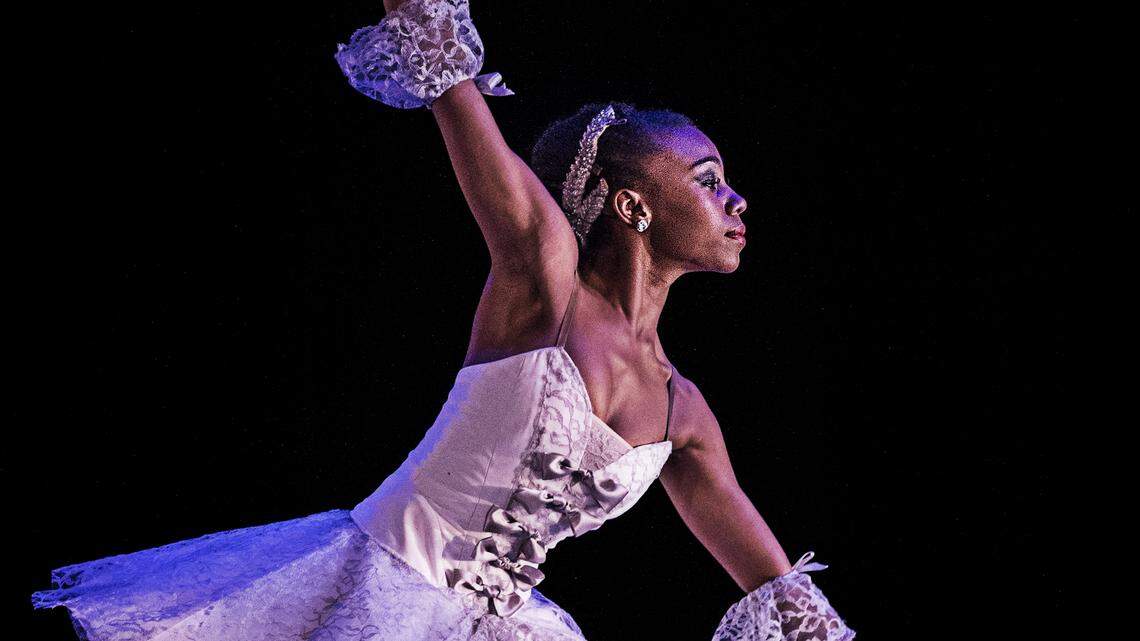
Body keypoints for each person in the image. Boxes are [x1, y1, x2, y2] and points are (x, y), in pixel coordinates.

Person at [30, 1, 857, 639]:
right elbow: (445, 72)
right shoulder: (545, 278)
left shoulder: (684, 411)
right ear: (633, 203)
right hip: (376, 584)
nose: (736, 200)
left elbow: (777, 591)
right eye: (709, 179)